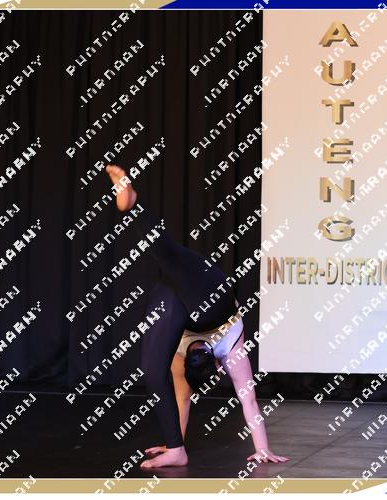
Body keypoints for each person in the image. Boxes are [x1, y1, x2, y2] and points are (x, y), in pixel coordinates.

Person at [105, 164, 288, 468]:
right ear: (217, 365)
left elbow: (184, 400)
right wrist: (262, 448)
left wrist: (172, 440)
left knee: (153, 370)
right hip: (211, 297)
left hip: (180, 299)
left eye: (194, 353)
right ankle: (133, 204)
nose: (198, 349)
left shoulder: (184, 359)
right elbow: (248, 400)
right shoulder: (228, 352)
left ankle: (176, 450)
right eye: (202, 353)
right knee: (172, 259)